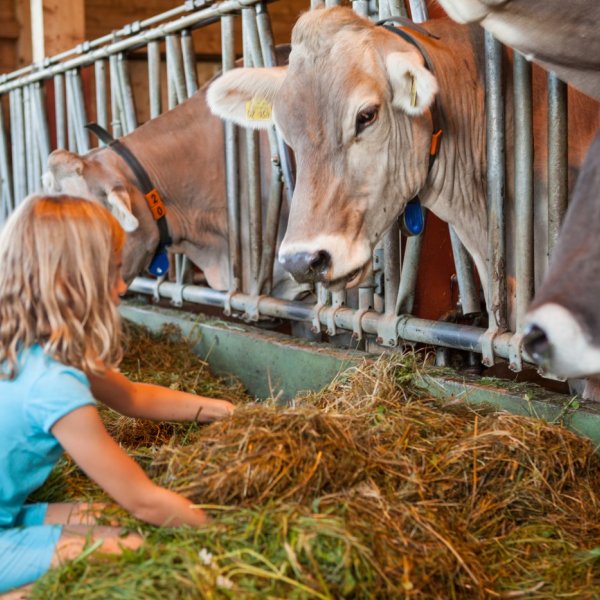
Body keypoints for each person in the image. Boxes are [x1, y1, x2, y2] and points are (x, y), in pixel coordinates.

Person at [0, 194, 235, 596]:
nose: (122, 285)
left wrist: (224, 411)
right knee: (127, 547)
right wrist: (228, 540)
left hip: (8, 515)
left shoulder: (32, 346)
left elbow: (132, 397)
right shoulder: (54, 386)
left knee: (108, 520)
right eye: (110, 271)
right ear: (69, 281)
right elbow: (142, 500)